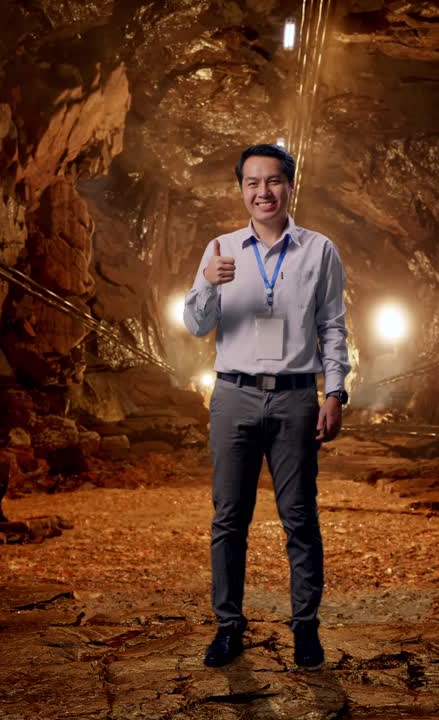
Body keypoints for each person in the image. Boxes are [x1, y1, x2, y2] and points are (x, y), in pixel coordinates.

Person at [183, 144, 350, 669]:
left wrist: (335, 390)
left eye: (273, 181)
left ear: (289, 186)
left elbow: (332, 327)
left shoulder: (319, 250)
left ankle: (305, 628)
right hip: (233, 393)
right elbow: (195, 324)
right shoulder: (220, 248)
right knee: (229, 518)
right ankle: (228, 627)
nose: (263, 192)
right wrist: (208, 286)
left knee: (299, 516)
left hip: (296, 396)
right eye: (252, 183)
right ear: (241, 191)